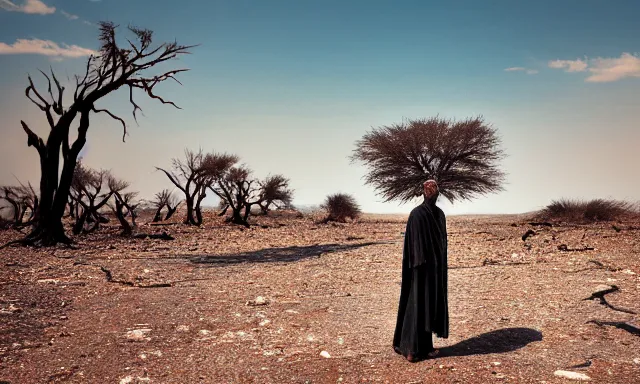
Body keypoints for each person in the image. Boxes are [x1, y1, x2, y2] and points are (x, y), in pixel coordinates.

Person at [393, 179, 449, 362]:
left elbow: (441, 245)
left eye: (434, 189)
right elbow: (415, 245)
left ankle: (425, 347)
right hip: (420, 270)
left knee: (426, 306)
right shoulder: (417, 214)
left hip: (432, 270)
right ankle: (411, 349)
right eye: (429, 190)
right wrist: (420, 267)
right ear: (425, 193)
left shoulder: (439, 215)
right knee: (417, 306)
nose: (432, 192)